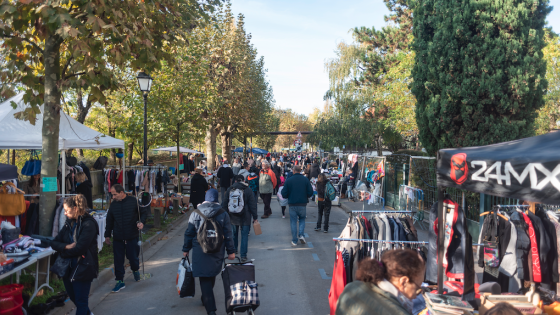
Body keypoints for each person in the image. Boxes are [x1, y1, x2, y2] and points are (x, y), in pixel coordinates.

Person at [182, 189, 235, 315]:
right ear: (216, 199)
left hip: (200, 249)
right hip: (217, 249)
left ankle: (208, 305)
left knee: (204, 277)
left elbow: (189, 233)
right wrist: (231, 251)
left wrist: (186, 249)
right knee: (210, 274)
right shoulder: (223, 213)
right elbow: (228, 234)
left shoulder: (196, 212)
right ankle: (208, 304)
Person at [49, 195, 99, 315]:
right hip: (68, 268)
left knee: (81, 301)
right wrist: (65, 246)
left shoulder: (89, 224)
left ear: (75, 208)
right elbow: (54, 242)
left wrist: (63, 252)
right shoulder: (69, 223)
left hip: (83, 267)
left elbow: (80, 249)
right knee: (74, 298)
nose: (65, 213)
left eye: (67, 210)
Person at [336, 249, 425, 315]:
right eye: (417, 288)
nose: (415, 296)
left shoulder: (351, 287)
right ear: (403, 282)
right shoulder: (397, 312)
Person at [105, 184, 147, 293]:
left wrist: (141, 222)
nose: (113, 197)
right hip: (118, 237)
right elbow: (109, 220)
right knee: (118, 260)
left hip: (131, 235)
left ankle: (135, 270)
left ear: (122, 193)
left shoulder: (133, 201)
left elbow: (143, 213)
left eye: (115, 194)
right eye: (112, 195)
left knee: (133, 258)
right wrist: (107, 234)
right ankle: (119, 281)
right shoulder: (113, 205)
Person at [221, 175, 258, 262]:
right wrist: (255, 217)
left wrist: (225, 216)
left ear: (235, 181)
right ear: (243, 180)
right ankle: (243, 255)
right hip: (246, 216)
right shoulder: (248, 190)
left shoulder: (230, 189)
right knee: (244, 236)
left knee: (234, 234)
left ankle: (234, 249)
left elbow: (225, 203)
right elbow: (253, 205)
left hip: (233, 216)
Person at [281, 165, 313, 246]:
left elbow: (284, 193)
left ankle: (294, 240)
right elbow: (310, 192)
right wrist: (306, 196)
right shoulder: (305, 180)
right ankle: (301, 234)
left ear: (293, 171)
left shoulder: (289, 180)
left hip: (292, 204)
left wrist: (288, 195)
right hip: (302, 203)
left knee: (293, 222)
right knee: (302, 219)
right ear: (300, 171)